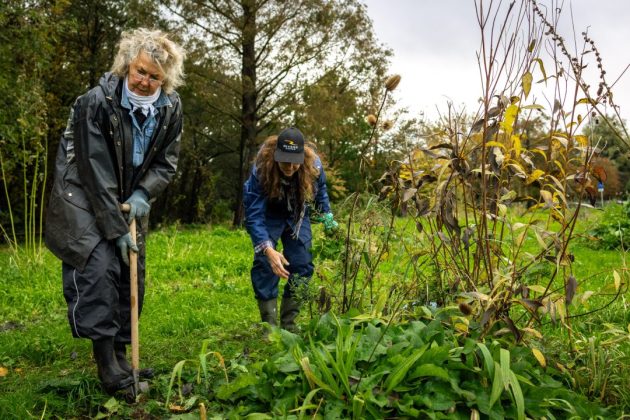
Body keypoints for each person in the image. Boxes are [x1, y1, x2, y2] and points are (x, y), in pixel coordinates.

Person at [45, 28, 185, 395]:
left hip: (126, 197)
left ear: (165, 80)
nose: (144, 81)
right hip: (82, 194)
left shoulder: (171, 108)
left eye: (155, 76)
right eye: (140, 71)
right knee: (99, 268)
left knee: (129, 271)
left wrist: (144, 191)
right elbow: (93, 167)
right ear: (127, 65)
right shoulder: (96, 102)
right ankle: (107, 365)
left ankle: (124, 357)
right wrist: (114, 226)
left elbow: (167, 161)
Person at [243, 127, 337, 334]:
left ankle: (289, 324)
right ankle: (270, 327)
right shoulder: (261, 168)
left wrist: (328, 217)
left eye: (295, 161)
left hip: (297, 213)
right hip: (269, 212)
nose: (290, 166)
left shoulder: (314, 167)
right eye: (285, 160)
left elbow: (320, 193)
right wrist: (267, 249)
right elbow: (254, 214)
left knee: (303, 264)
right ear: (275, 155)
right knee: (265, 263)